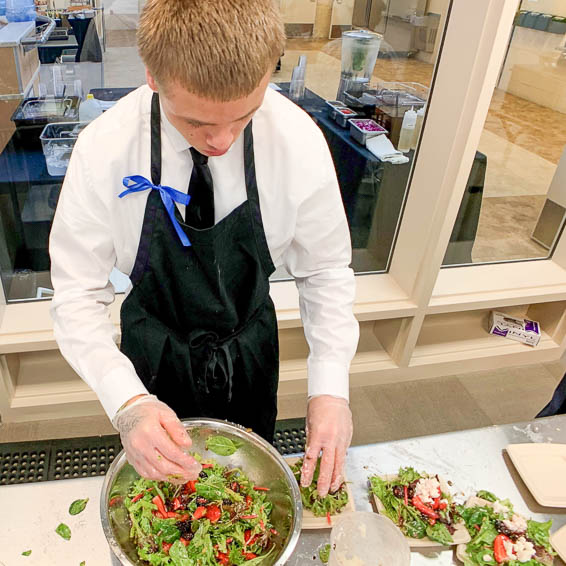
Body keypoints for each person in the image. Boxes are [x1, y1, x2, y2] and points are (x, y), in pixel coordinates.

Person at [49, 0, 359, 497]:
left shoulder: (297, 139)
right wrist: (127, 402)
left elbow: (325, 271)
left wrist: (330, 389)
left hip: (249, 348)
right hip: (154, 353)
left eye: (245, 116)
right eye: (196, 123)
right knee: (162, 493)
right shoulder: (104, 149)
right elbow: (75, 296)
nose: (221, 140)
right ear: (152, 76)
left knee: (248, 494)